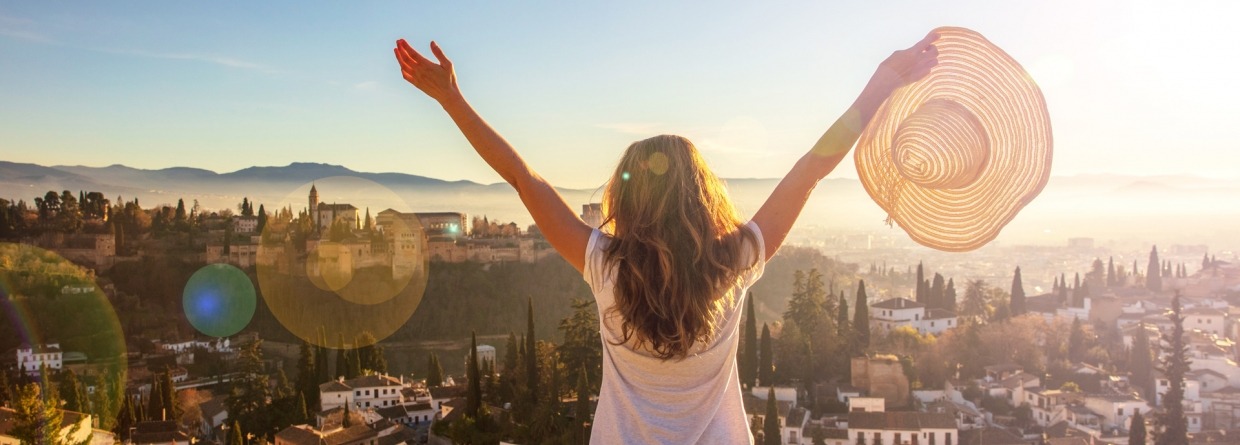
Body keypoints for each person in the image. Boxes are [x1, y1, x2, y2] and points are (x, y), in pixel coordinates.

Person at [394, 32, 938, 444]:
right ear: (703, 197)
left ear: (627, 202)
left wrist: (452, 100)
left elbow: (520, 175)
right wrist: (881, 84)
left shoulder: (604, 265)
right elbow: (811, 169)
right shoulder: (737, 262)